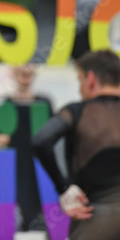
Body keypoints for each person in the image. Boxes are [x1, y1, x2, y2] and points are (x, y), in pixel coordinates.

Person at [33, 50, 120, 239]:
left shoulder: (78, 112)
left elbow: (41, 141)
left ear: (90, 79)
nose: (80, 88)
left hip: (94, 220)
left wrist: (64, 188)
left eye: (79, 80)